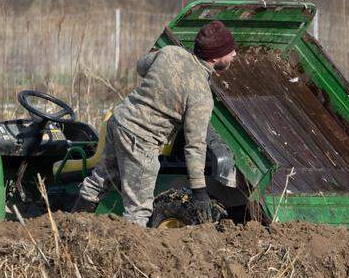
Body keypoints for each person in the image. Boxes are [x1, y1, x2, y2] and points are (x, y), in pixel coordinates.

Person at [74, 20, 237, 225]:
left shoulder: (171, 52)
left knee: (98, 182)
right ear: (215, 57)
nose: (234, 55)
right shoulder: (201, 95)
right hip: (140, 141)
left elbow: (141, 66)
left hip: (120, 121)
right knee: (138, 211)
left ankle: (71, 231)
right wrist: (199, 192)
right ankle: (128, 256)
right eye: (230, 51)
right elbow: (195, 146)